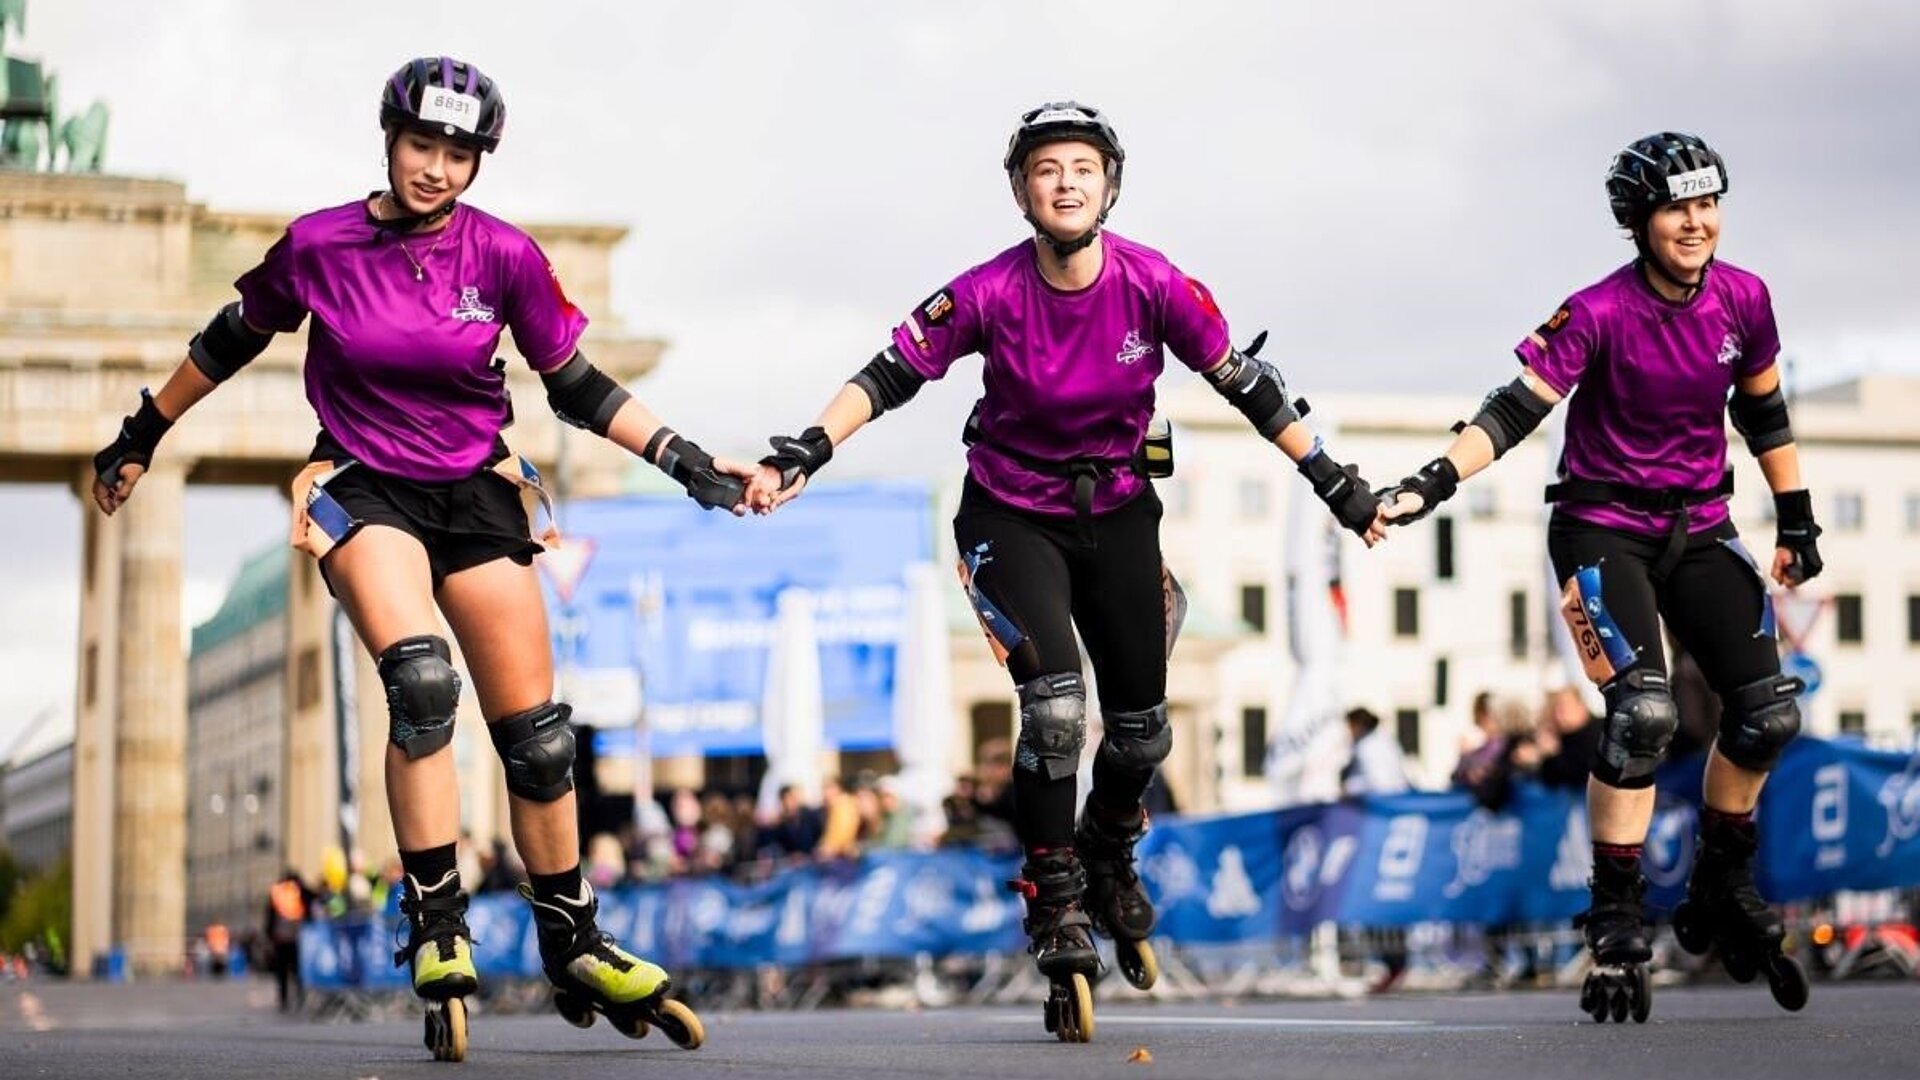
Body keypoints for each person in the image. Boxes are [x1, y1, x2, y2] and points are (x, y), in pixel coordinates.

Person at [88, 56, 726, 1058]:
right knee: (422, 685)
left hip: (476, 488)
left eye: (459, 154)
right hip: (361, 482)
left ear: (480, 163)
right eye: (422, 146)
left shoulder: (504, 256)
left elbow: (577, 384)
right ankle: (435, 923)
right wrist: (141, 433)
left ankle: (575, 938)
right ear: (390, 140)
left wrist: (685, 458)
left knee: (539, 739)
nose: (437, 169)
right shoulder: (320, 244)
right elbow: (229, 337)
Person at [745, 101, 1385, 1041]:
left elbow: (1248, 383)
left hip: (1119, 513)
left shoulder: (1153, 281)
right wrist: (807, 449)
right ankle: (1054, 895)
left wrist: (1333, 481)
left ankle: (1110, 850)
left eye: (1083, 167)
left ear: (1110, 185)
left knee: (1141, 735)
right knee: (1053, 707)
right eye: (1047, 169)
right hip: (1009, 514)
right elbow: (888, 374)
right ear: (1021, 191)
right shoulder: (988, 291)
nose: (1067, 182)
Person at [1375, 131, 1820, 1022]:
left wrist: (1798, 516)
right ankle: (1616, 915)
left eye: (1708, 204)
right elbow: (1512, 410)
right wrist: (1430, 480)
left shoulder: (1745, 298)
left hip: (1701, 526)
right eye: (1676, 208)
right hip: (1600, 527)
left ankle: (1722, 880)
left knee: (1769, 713)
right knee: (1644, 713)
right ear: (1639, 221)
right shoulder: (1595, 312)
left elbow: (1763, 408)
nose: (1697, 223)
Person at [264, 869, 316, 1012]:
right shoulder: (300, 890)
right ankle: (300, 996)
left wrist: (269, 935)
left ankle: (284, 998)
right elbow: (313, 898)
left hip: (281, 938)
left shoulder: (277, 892)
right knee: (298, 969)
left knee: (282, 971)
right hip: (298, 937)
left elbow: (269, 916)